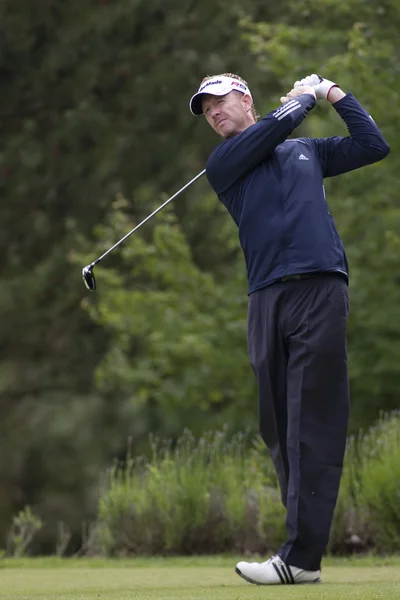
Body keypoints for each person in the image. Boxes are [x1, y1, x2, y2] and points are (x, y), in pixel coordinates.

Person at [189, 73, 390, 585]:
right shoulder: (224, 164)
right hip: (266, 298)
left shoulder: (307, 150)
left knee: (312, 422)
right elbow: (269, 133)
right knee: (279, 426)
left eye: (219, 101)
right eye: (205, 109)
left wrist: (332, 93)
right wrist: (301, 98)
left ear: (245, 99)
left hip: (319, 288)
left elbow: (373, 145)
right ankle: (302, 552)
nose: (213, 113)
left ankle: (299, 557)